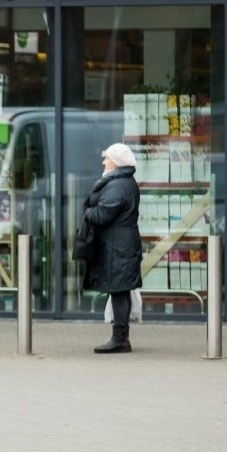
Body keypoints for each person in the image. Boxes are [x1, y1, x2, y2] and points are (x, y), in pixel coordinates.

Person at [82, 143, 142, 353]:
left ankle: (120, 339)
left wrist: (88, 212)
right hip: (120, 244)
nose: (103, 162)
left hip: (119, 247)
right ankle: (120, 337)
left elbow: (102, 214)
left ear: (115, 162)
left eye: (106, 158)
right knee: (120, 289)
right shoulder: (122, 182)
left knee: (119, 290)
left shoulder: (118, 185)